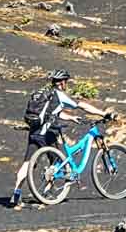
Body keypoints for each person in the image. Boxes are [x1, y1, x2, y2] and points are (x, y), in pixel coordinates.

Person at [11, 70, 111, 208]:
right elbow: (80, 105)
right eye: (66, 82)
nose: (67, 85)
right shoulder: (59, 95)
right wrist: (103, 113)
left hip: (35, 131)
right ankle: (47, 194)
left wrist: (70, 117)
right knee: (56, 162)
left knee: (27, 163)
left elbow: (54, 111)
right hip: (47, 132)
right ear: (63, 82)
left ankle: (16, 194)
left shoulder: (43, 92)